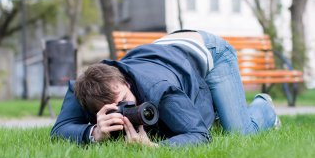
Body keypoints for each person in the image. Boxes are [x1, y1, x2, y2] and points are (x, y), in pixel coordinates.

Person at [51, 30, 280, 147]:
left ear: (127, 83)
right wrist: (94, 133)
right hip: (167, 54)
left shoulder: (160, 90)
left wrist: (156, 148)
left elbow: (200, 135)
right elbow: (59, 130)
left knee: (240, 131)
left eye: (123, 99)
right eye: (114, 109)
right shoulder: (83, 89)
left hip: (210, 51)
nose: (124, 109)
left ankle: (264, 106)